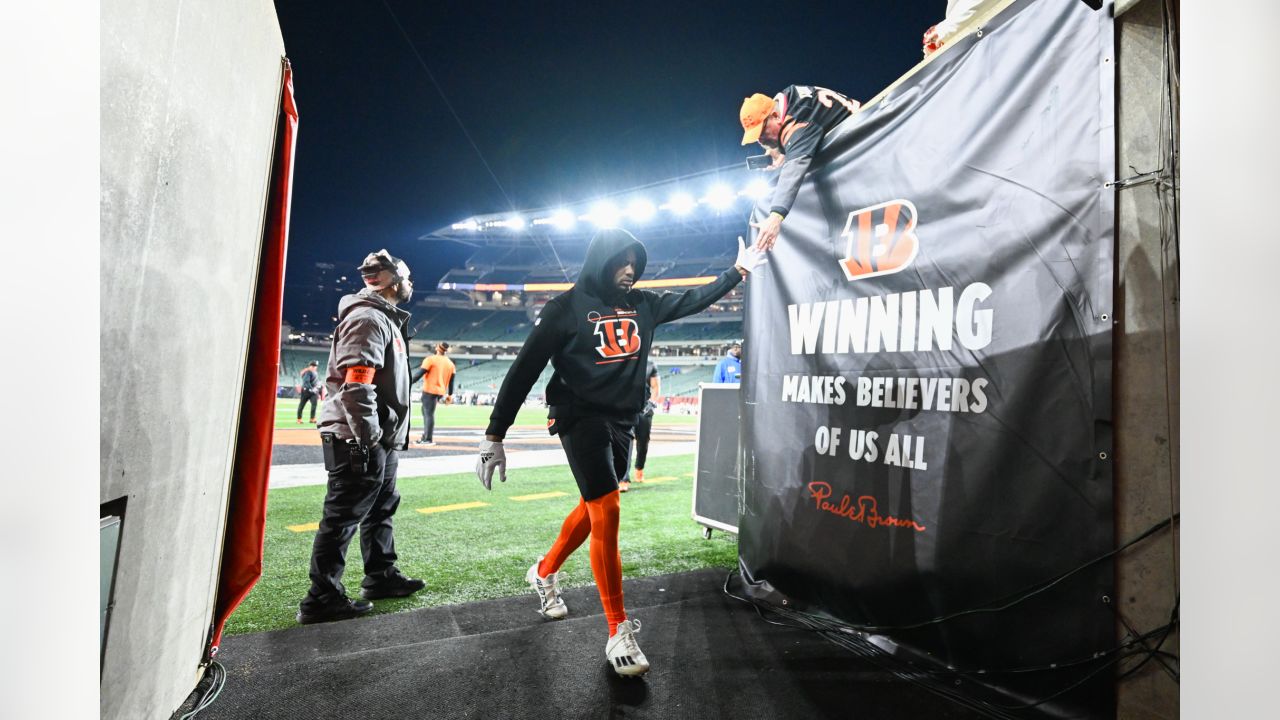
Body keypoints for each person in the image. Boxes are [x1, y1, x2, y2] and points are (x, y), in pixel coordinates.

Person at [475, 228, 767, 676]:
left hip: (623, 419)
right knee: (607, 507)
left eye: (634, 262)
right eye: (620, 261)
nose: (629, 270)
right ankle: (618, 631)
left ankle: (544, 570)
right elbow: (522, 371)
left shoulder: (644, 305)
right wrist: (495, 435)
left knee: (594, 505)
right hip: (579, 416)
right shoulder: (563, 308)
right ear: (600, 261)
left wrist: (737, 272)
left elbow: (693, 299)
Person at [297, 249, 426, 624]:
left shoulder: (383, 318)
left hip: (377, 435)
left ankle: (381, 576)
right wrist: (368, 438)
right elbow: (357, 386)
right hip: (358, 436)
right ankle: (321, 597)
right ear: (393, 281)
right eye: (409, 278)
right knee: (342, 515)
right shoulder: (369, 318)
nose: (411, 285)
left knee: (381, 506)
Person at [739, 85, 861, 250]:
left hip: (865, 145)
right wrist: (782, 149)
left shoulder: (797, 123)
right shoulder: (785, 97)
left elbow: (793, 171)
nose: (760, 140)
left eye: (761, 132)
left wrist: (775, 217)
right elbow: (798, 130)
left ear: (775, 116)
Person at [619, 361, 660, 493]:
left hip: (644, 408)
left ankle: (639, 468)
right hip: (627, 407)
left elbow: (655, 387)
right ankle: (623, 478)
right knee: (626, 442)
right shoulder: (623, 362)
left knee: (643, 441)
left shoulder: (650, 365)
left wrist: (652, 403)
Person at [412, 342, 456, 445]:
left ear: (437, 348)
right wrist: (450, 395)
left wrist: (409, 382)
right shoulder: (450, 363)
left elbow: (419, 373)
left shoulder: (431, 359)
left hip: (429, 390)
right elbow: (452, 381)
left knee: (428, 414)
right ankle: (425, 436)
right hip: (440, 392)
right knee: (426, 412)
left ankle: (428, 439)